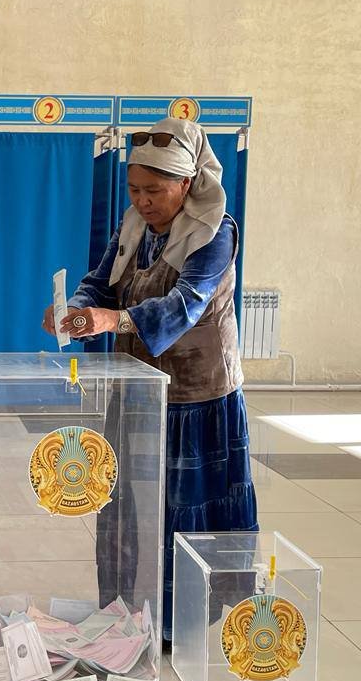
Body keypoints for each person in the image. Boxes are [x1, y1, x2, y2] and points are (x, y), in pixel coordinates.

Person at [42, 117, 259, 641]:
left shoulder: (215, 231)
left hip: (197, 397)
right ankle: (128, 608)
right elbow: (101, 282)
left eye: (154, 191)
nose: (142, 201)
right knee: (128, 506)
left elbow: (185, 306)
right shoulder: (134, 228)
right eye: (134, 189)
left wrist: (111, 320)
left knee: (181, 509)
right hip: (138, 387)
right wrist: (76, 310)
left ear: (186, 183)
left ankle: (181, 620)